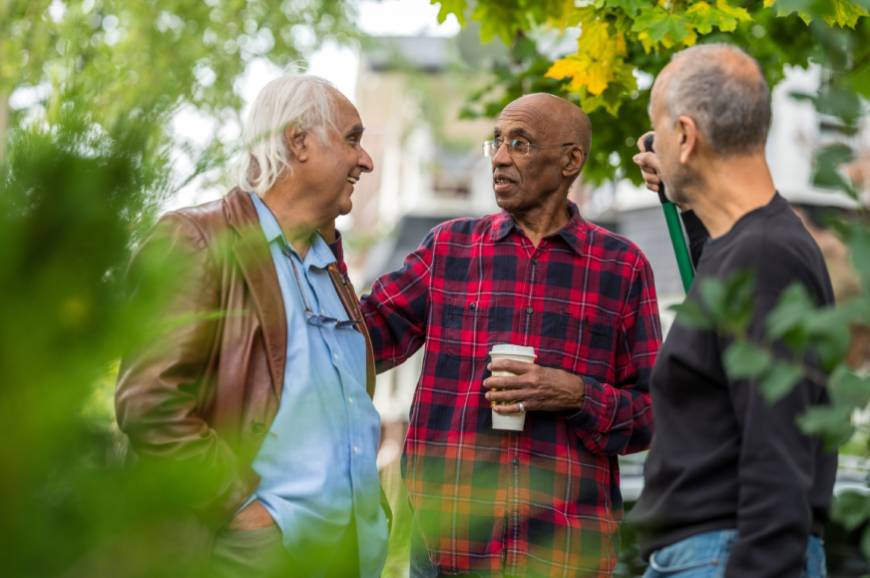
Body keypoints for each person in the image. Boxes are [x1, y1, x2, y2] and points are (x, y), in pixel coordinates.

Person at [361, 93, 662, 577]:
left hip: (564, 555)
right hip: (447, 549)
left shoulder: (621, 267)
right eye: (496, 143)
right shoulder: (449, 248)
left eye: (519, 144)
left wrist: (576, 395)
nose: (500, 158)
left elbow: (653, 413)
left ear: (570, 160)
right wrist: (315, 236)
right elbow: (360, 339)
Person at [115, 75, 388, 578]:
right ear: (298, 141)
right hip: (260, 552)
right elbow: (150, 401)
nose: (365, 159)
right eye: (352, 139)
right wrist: (240, 511)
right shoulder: (200, 238)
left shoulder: (332, 268)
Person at [628, 44, 837, 578]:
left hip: (725, 554)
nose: (650, 149)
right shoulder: (748, 249)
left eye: (658, 133)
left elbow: (778, 452)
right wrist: (683, 194)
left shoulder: (764, 258)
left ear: (686, 135)